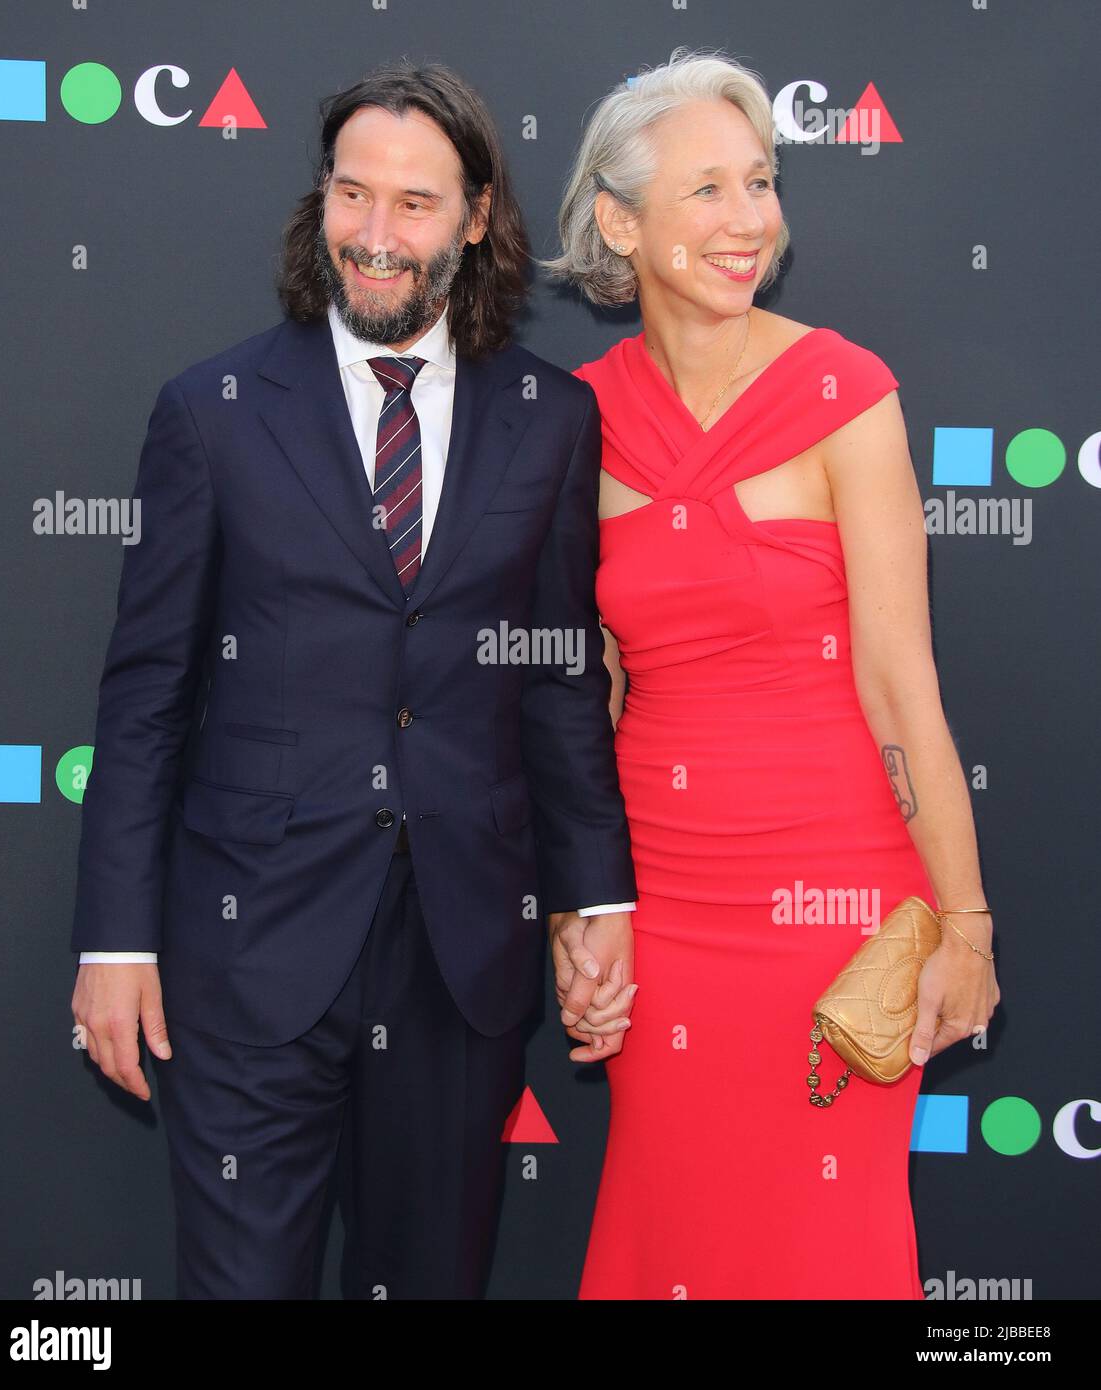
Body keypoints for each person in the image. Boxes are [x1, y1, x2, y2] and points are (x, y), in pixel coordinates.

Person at [69, 60, 638, 1300]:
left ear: (479, 215)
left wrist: (596, 899)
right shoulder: (213, 412)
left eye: (415, 205)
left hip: (459, 951)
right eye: (350, 196)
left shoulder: (550, 417)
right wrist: (114, 939)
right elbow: (148, 694)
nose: (374, 240)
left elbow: (553, 682)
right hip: (248, 947)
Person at [539, 48, 1001, 1299]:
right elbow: (591, 702)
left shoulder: (844, 396)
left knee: (824, 1249)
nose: (749, 220)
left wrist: (963, 925)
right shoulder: (574, 422)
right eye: (707, 191)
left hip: (839, 916)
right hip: (666, 912)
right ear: (621, 223)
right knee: (671, 1231)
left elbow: (903, 685)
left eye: (761, 182)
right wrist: (584, 912)